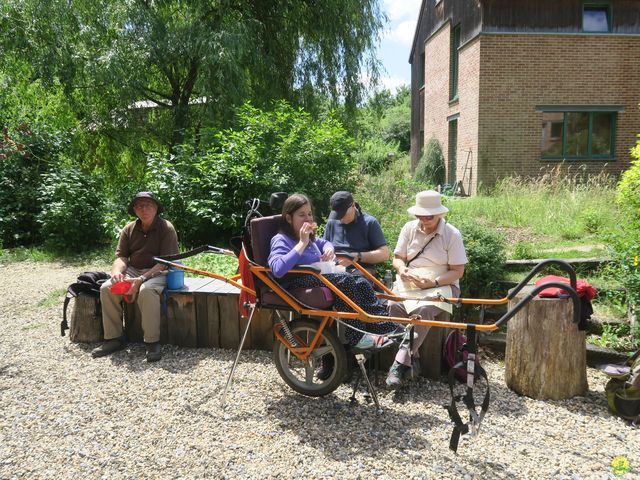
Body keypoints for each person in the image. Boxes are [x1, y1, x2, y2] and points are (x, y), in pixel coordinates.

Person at [268, 193, 400, 350]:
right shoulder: (281, 239)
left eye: (310, 214)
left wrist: (329, 249)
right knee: (346, 280)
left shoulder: (309, 237)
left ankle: (386, 327)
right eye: (301, 215)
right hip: (296, 282)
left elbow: (325, 242)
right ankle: (357, 337)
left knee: (361, 281)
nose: (308, 219)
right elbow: (277, 269)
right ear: (289, 218)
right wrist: (302, 243)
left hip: (316, 276)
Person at [385, 190, 467, 388]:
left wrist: (434, 282)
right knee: (393, 306)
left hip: (442, 284)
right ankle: (414, 356)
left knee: (424, 311)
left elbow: (458, 271)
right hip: (411, 282)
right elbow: (398, 258)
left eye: (428, 216)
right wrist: (402, 269)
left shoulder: (451, 234)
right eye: (419, 215)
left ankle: (399, 363)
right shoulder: (408, 228)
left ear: (439, 213)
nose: (424, 219)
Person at [91, 192, 179, 362]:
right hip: (134, 269)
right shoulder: (129, 228)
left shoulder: (166, 228)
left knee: (146, 291)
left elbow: (165, 262)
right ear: (134, 210)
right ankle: (114, 338)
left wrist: (141, 279)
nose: (144, 209)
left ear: (156, 208)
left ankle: (152, 342)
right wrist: (117, 272)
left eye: (148, 205)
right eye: (139, 206)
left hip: (159, 271)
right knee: (107, 288)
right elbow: (121, 257)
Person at [323, 191, 389, 278]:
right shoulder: (332, 222)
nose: (340, 218)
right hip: (334, 269)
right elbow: (323, 245)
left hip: (361, 270)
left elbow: (384, 254)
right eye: (337, 215)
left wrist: (357, 256)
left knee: (348, 279)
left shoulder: (369, 222)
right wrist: (327, 250)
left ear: (353, 205)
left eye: (343, 214)